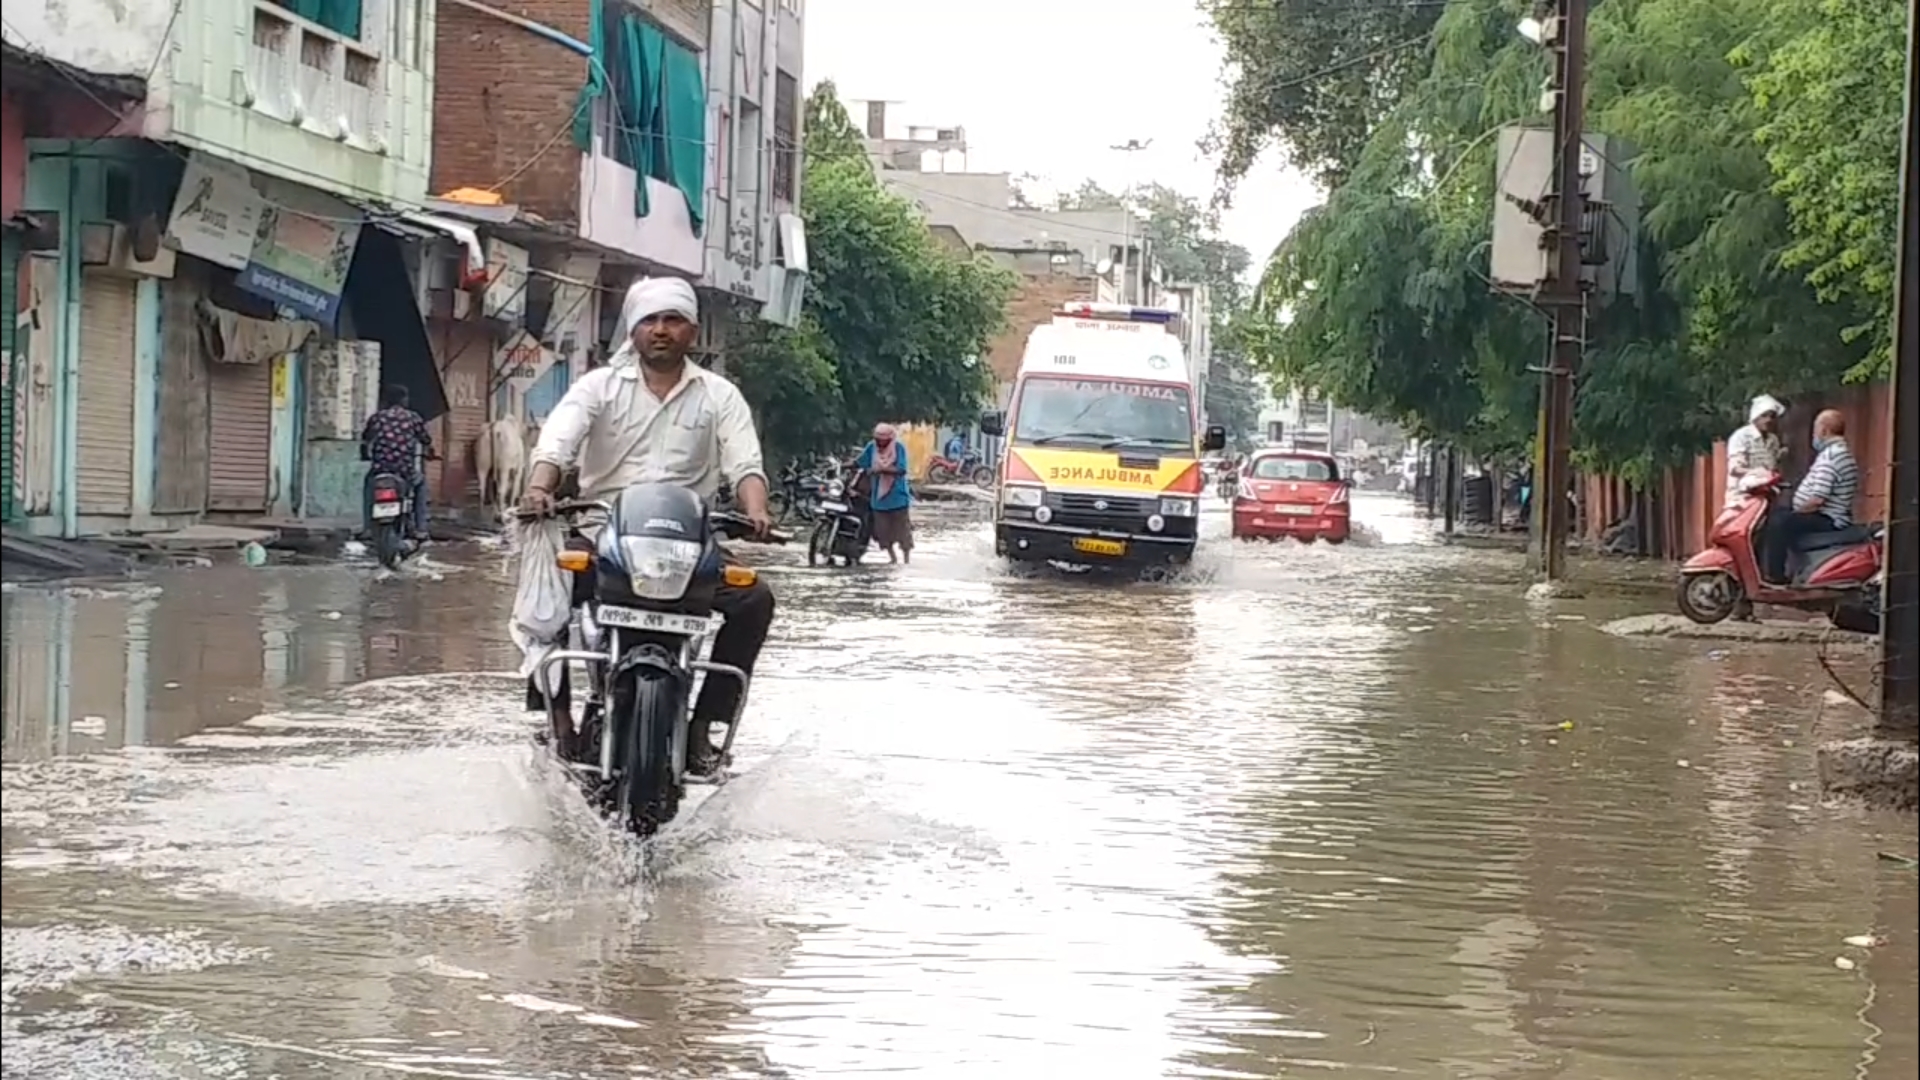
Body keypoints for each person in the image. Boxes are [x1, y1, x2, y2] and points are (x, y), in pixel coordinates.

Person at [520, 276, 775, 775]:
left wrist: (757, 510)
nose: (662, 330)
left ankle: (705, 726)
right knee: (545, 590)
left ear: (693, 331)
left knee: (754, 599)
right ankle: (559, 723)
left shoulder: (719, 395)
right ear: (633, 332)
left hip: (689, 543)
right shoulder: (597, 386)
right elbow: (557, 442)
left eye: (673, 320)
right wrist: (538, 489)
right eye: (651, 321)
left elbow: (745, 462)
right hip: (602, 534)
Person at [1763, 408, 1858, 583]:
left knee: (1778, 522)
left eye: (1815, 430)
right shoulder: (1836, 453)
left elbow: (1817, 500)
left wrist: (1796, 512)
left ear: (1824, 430)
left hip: (1828, 518)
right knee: (1778, 514)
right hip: (1825, 514)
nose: (1814, 435)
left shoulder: (1832, 457)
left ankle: (1775, 577)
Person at [359, 384, 433, 540]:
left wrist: (365, 454)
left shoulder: (377, 417)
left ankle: (367, 527)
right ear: (404, 400)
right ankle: (421, 527)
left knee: (368, 487)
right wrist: (428, 452)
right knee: (420, 485)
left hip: (381, 469)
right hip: (405, 471)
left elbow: (366, 440)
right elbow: (425, 439)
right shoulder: (413, 418)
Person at [857, 423, 915, 563]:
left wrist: (881, 470)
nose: (880, 443)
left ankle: (906, 560)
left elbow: (901, 470)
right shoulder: (872, 448)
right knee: (883, 533)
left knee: (903, 532)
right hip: (879, 500)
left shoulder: (898, 448)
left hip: (898, 498)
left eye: (883, 440)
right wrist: (843, 465)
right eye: (878, 439)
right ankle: (893, 559)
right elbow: (861, 462)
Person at [1725, 394, 1786, 507]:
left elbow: (1773, 466)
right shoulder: (1741, 436)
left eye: (1772, 416)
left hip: (1767, 497)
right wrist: (1758, 473)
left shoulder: (1773, 439)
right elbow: (1734, 469)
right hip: (1742, 498)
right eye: (1764, 416)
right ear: (1755, 416)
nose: (1768, 420)